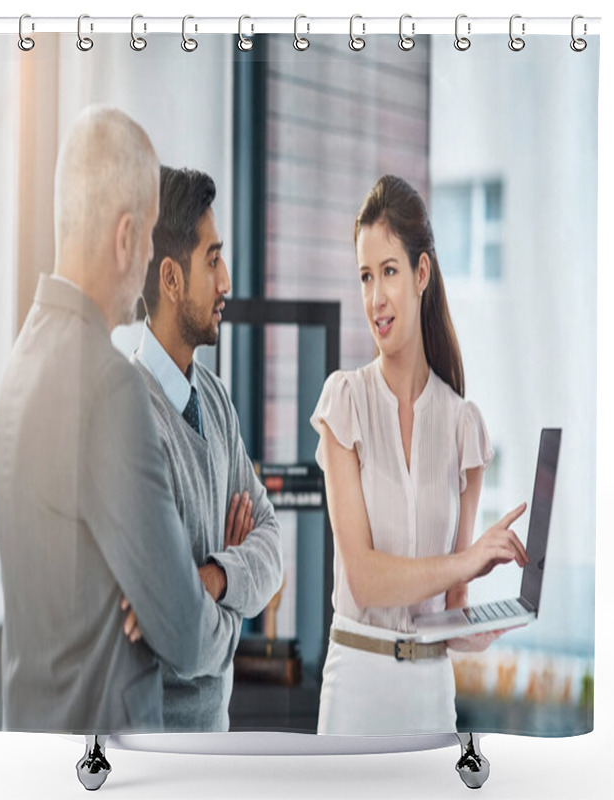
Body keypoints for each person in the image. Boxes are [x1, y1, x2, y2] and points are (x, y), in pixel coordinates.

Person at [0, 106, 240, 734]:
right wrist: (229, 611)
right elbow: (183, 632)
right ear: (127, 237)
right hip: (109, 756)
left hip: (35, 744)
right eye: (152, 233)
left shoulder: (21, 361)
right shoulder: (108, 386)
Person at [310, 175, 529, 735]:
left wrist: (479, 628)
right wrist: (469, 559)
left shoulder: (463, 428)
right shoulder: (345, 404)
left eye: (389, 271)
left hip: (431, 696)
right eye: (365, 276)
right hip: (355, 688)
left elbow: (449, 605)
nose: (375, 298)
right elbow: (364, 579)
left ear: (421, 273)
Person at [129, 165, 282, 731]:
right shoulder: (131, 417)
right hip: (157, 753)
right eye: (212, 260)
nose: (226, 281)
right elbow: (185, 641)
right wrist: (236, 596)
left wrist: (215, 576)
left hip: (215, 739)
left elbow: (272, 544)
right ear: (171, 279)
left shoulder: (215, 400)